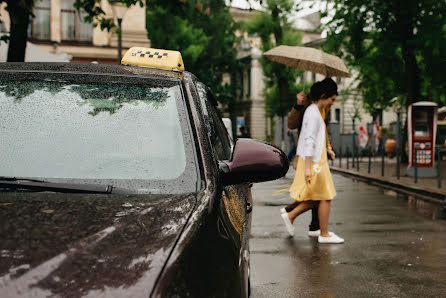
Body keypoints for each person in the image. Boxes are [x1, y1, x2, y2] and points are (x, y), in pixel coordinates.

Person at [281, 79, 344, 244]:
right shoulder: (311, 111)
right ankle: (323, 233)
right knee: (324, 195)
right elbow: (308, 138)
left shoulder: (318, 111)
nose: (333, 102)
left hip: (317, 159)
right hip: (314, 161)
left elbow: (320, 135)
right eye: (332, 99)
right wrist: (308, 166)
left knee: (318, 196)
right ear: (323, 95)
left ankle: (298, 219)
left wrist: (328, 147)